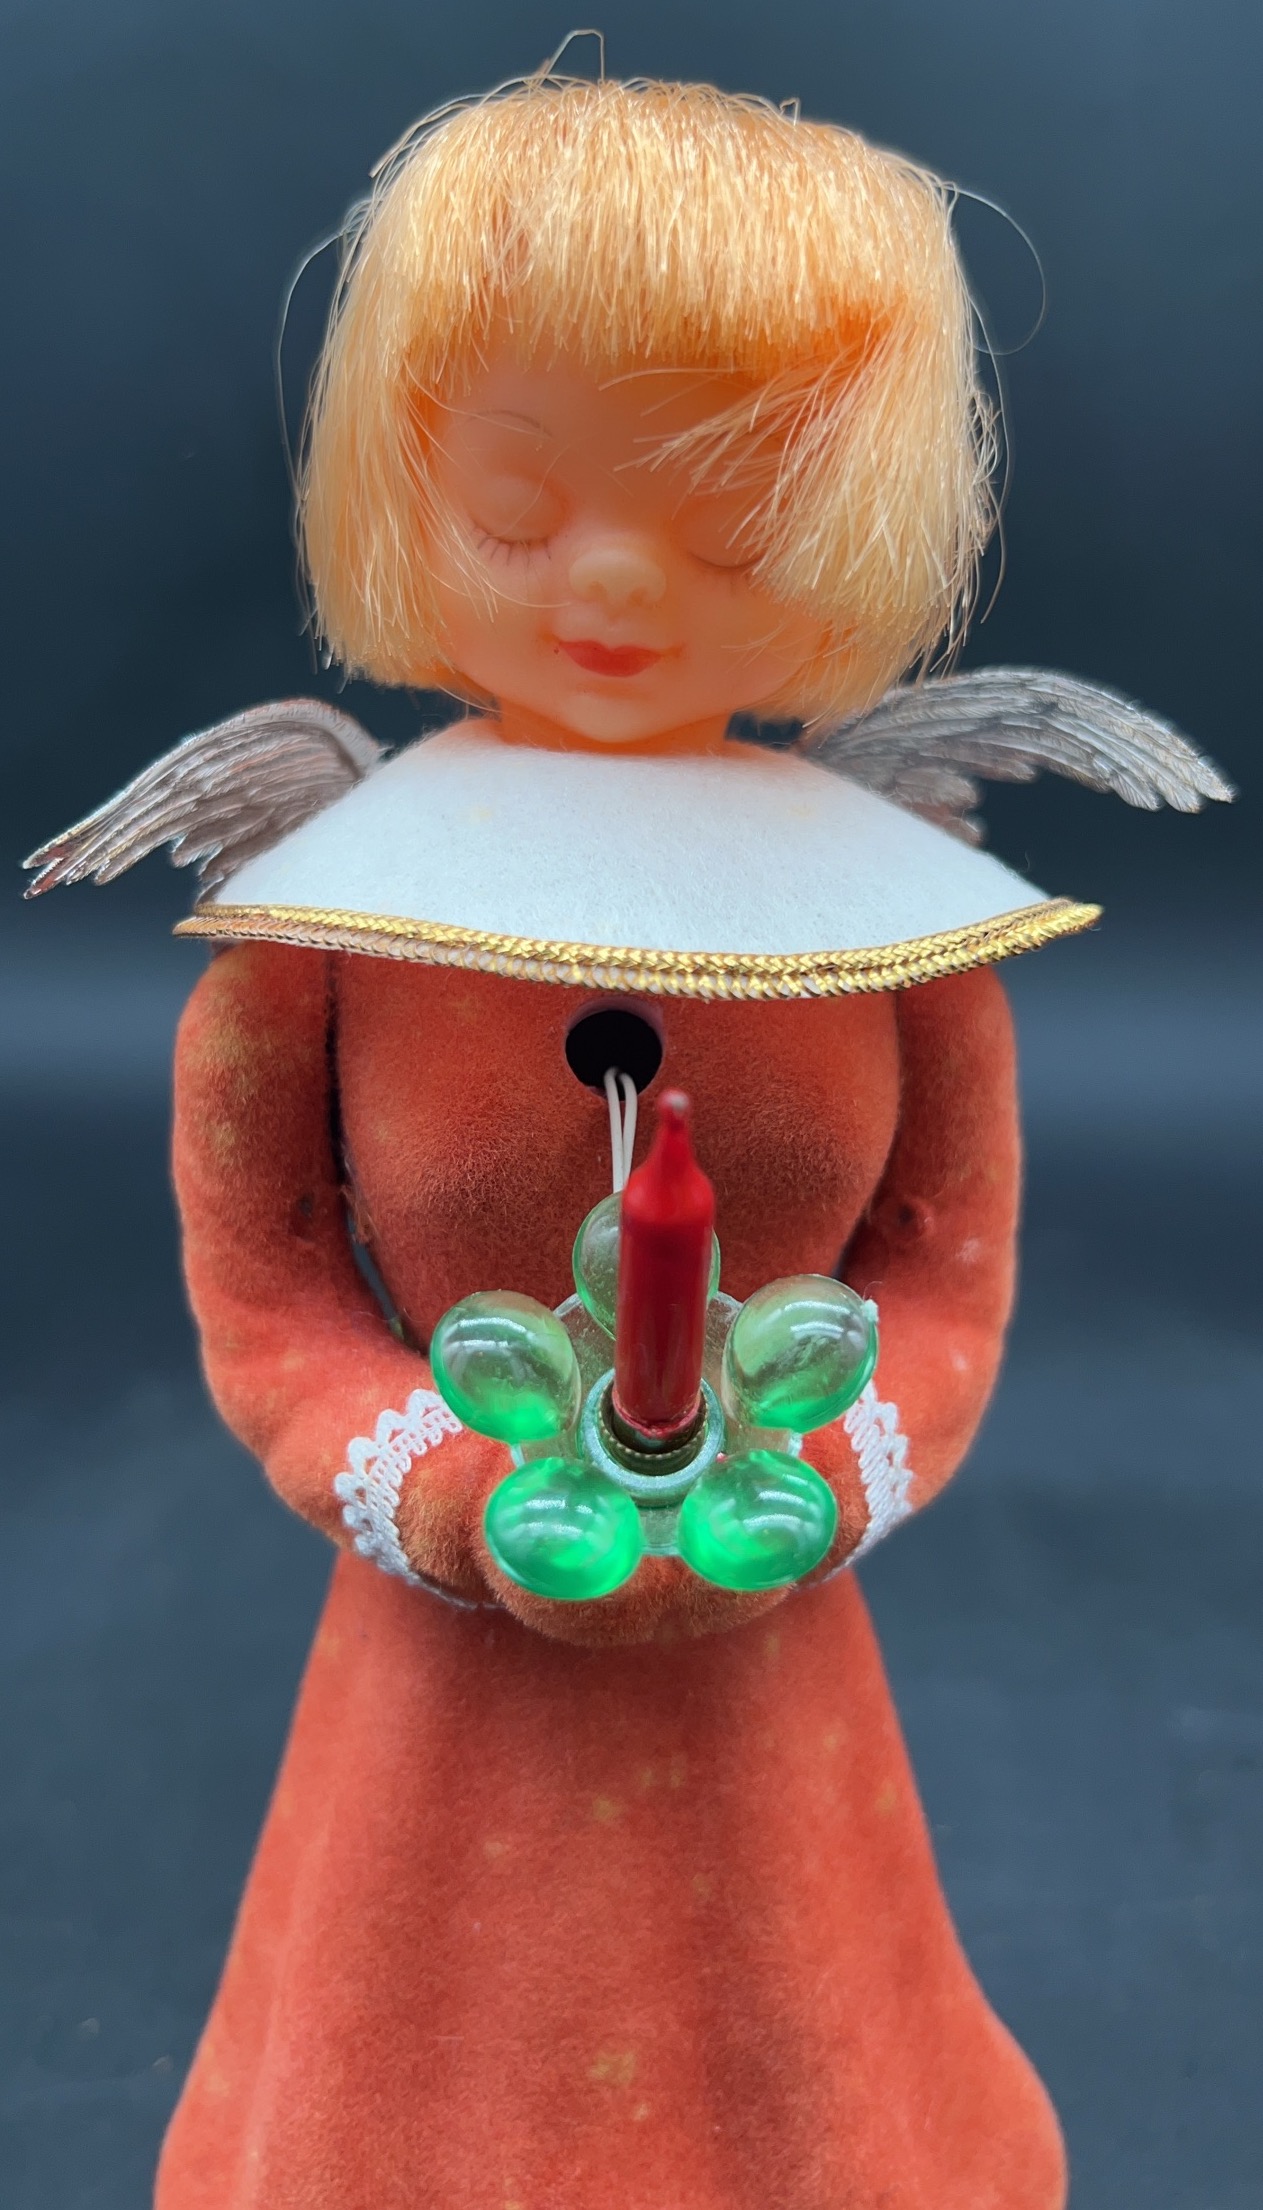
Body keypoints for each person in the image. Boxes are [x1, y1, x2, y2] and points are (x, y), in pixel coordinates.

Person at [26, 69, 1228, 2209]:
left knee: (805, 2059)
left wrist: (826, 1472)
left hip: (766, 1652)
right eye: (516, 503)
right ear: (403, 469)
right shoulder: (334, 921)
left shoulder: (886, 921)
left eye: (734, 523)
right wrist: (440, 1485)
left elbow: (940, 1275)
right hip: (450, 1660)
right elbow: (270, 1298)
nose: (611, 576)